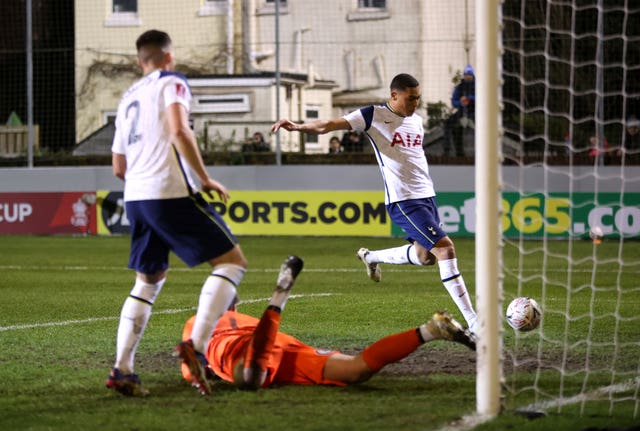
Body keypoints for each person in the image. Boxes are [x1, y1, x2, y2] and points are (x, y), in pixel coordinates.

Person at [271, 73, 479, 335]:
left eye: (418, 98)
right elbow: (330, 124)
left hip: (427, 196)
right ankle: (474, 322)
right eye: (410, 98)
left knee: (425, 257)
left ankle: (371, 257)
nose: (415, 103)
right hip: (404, 200)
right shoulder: (373, 115)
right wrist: (300, 127)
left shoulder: (417, 120)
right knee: (445, 250)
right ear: (394, 95)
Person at [107, 29, 248, 397]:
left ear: (141, 61)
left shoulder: (126, 98)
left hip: (136, 197)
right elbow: (179, 130)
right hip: (167, 191)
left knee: (148, 281)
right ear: (168, 56)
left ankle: (123, 369)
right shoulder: (172, 81)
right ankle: (197, 348)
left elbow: (118, 166)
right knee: (232, 262)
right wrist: (204, 179)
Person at [180, 256, 475, 390]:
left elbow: (191, 370)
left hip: (245, 351)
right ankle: (431, 330)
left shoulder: (196, 323)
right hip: (277, 346)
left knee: (250, 378)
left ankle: (279, 296)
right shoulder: (236, 314)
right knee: (355, 371)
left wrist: (202, 376)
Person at [444, 65, 475, 157]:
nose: (467, 76)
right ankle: (450, 149)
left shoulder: (478, 86)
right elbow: (454, 101)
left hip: (474, 111)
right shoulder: (460, 87)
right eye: (466, 75)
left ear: (472, 76)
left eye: (469, 75)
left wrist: (469, 99)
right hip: (462, 111)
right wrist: (461, 103)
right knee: (448, 124)